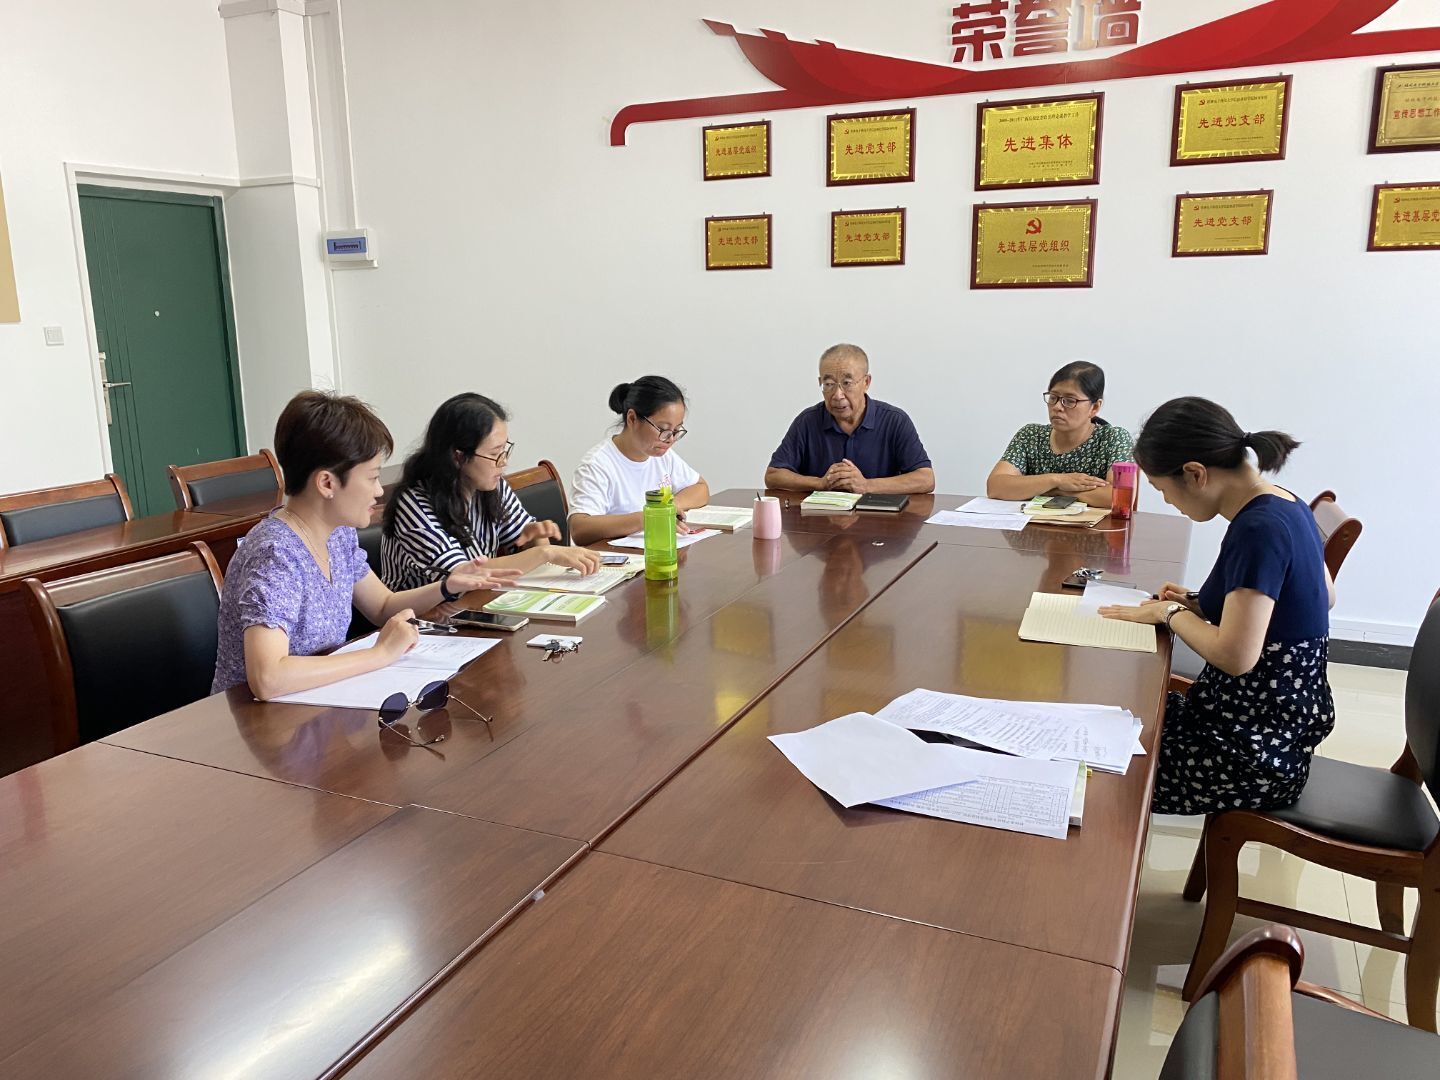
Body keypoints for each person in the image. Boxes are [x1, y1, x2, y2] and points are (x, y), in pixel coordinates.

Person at [1099, 396, 1335, 814]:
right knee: (1119, 711)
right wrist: (1197, 602)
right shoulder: (1285, 502)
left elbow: (1235, 657)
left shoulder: (1258, 528)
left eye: (1163, 490)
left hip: (1250, 752)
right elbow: (1323, 596)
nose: (1168, 502)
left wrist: (1170, 614)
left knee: (1103, 768)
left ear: (1195, 474)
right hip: (1268, 728)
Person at [213, 390, 518, 700]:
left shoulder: (338, 534)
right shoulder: (276, 554)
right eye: (372, 477)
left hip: (315, 703)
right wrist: (379, 654)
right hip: (254, 720)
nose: (378, 491)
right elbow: (268, 678)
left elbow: (382, 606)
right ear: (327, 483)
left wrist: (446, 585)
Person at [381, 392, 600, 591]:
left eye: (505, 450)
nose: (503, 462)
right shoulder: (413, 504)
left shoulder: (491, 485)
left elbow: (523, 545)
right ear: (458, 456)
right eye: (495, 454)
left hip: (477, 603)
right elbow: (462, 576)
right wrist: (545, 553)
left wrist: (536, 538)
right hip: (420, 616)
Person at [764, 343, 934, 494]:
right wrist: (821, 483)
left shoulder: (895, 421)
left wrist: (866, 485)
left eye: (847, 383)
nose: (838, 395)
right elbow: (773, 475)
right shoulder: (807, 422)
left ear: (866, 382)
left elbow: (926, 479)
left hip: (880, 518)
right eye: (829, 384)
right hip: (821, 518)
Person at [569, 376, 711, 545]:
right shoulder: (597, 464)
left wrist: (671, 506)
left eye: (677, 430)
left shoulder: (663, 456)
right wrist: (649, 517)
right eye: (663, 429)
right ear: (632, 419)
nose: (670, 439)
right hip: (616, 557)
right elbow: (580, 529)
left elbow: (700, 487)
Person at [986, 361, 1133, 509]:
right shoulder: (1030, 435)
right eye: (1053, 398)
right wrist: (1057, 480)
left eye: (1069, 401)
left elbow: (1121, 497)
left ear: (1094, 407)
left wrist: (1056, 491)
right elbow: (996, 486)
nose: (1057, 407)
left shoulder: (1114, 438)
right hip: (1035, 523)